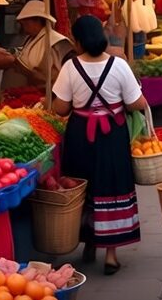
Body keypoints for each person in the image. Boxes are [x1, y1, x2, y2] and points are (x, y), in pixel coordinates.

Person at [52, 16, 147, 275]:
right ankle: (111, 255)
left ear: (78, 41)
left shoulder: (70, 67)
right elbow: (137, 103)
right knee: (112, 185)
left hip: (80, 135)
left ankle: (89, 243)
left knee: (84, 185)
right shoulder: (119, 65)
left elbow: (60, 109)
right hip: (112, 135)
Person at [3, 0, 74, 89]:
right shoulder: (30, 39)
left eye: (26, 24)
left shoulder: (56, 41)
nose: (24, 29)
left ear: (37, 20)